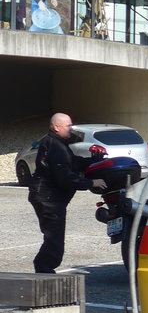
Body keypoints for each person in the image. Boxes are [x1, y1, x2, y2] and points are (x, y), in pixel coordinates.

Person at [28, 113, 103, 273]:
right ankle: (44, 271)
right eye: (68, 125)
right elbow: (65, 177)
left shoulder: (57, 144)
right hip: (48, 198)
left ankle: (44, 270)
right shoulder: (54, 145)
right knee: (54, 240)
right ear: (56, 127)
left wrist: (93, 160)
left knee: (54, 238)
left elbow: (72, 163)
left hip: (48, 196)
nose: (71, 128)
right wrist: (90, 183)